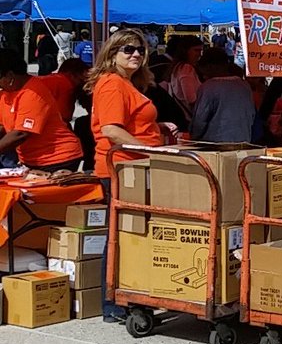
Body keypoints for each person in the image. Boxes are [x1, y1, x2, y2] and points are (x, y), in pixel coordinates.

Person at [89, 29, 163, 323]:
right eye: (128, 49)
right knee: (120, 234)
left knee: (127, 233)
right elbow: (111, 130)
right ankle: (113, 304)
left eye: (140, 50)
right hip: (122, 168)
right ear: (112, 54)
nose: (135, 54)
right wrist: (153, 150)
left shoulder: (125, 84)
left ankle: (125, 296)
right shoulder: (111, 84)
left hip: (133, 166)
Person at [0, 48, 84, 172]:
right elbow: (2, 127)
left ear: (10, 76)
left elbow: (21, 133)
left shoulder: (34, 92)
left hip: (57, 159)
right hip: (30, 160)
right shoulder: (6, 94)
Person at [191, 49, 255, 143]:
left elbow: (199, 121)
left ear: (210, 67)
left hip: (215, 144)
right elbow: (251, 115)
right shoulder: (244, 85)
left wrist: (193, 136)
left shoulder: (208, 87)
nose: (203, 76)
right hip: (243, 140)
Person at [163, 34, 203, 122]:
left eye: (200, 50)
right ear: (185, 51)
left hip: (180, 116)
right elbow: (190, 98)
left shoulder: (177, 67)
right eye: (196, 50)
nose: (199, 54)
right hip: (188, 118)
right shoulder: (186, 68)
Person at [40, 58, 88, 123]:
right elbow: (64, 117)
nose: (82, 85)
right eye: (81, 80)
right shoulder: (66, 84)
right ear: (72, 75)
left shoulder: (50, 80)